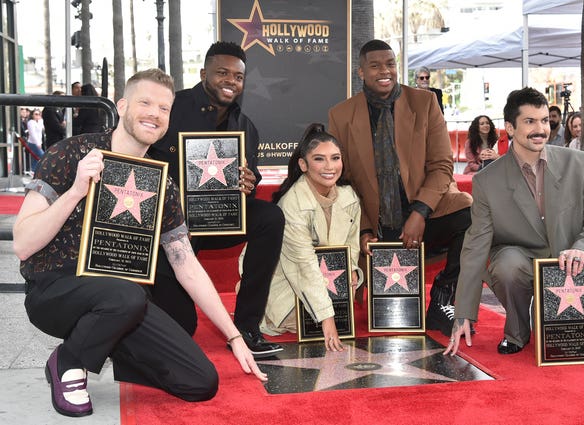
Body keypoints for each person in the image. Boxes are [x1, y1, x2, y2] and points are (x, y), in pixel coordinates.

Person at [13, 69, 267, 418]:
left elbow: (186, 265)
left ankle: (104, 339)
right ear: (122, 105)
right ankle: (68, 362)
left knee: (199, 381)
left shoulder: (162, 183)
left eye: (164, 108)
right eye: (145, 102)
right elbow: (23, 245)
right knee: (127, 294)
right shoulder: (70, 154)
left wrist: (234, 336)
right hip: (55, 290)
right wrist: (75, 191)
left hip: (121, 303)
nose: (154, 113)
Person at [445, 87, 584, 357]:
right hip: (518, 260)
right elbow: (475, 246)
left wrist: (583, 246)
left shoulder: (578, 163)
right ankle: (517, 332)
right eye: (530, 121)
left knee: (563, 347)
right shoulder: (488, 181)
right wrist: (463, 312)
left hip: (567, 261)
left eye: (544, 120)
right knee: (506, 265)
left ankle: (548, 322)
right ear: (510, 128)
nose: (540, 129)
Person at [147, 41, 285, 357]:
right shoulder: (172, 107)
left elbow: (250, 174)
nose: (230, 81)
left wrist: (250, 182)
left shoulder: (246, 127)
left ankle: (248, 326)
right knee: (180, 327)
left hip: (221, 217)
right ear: (203, 73)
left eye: (237, 76)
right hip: (171, 224)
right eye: (222, 72)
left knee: (270, 218)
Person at [328, 40, 472, 337]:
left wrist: (420, 211)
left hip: (424, 212)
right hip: (376, 224)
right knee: (392, 322)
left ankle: (443, 296)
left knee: (472, 215)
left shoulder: (424, 103)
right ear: (361, 72)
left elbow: (442, 165)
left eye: (390, 64)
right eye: (376, 65)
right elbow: (343, 180)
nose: (385, 71)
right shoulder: (341, 115)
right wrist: (365, 228)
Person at [260, 123, 362, 351]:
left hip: (326, 280)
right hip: (288, 280)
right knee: (309, 323)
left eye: (335, 158)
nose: (330, 167)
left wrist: (352, 268)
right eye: (319, 159)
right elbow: (303, 264)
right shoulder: (292, 203)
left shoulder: (349, 196)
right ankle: (264, 309)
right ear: (303, 164)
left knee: (339, 319)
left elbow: (351, 245)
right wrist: (327, 318)